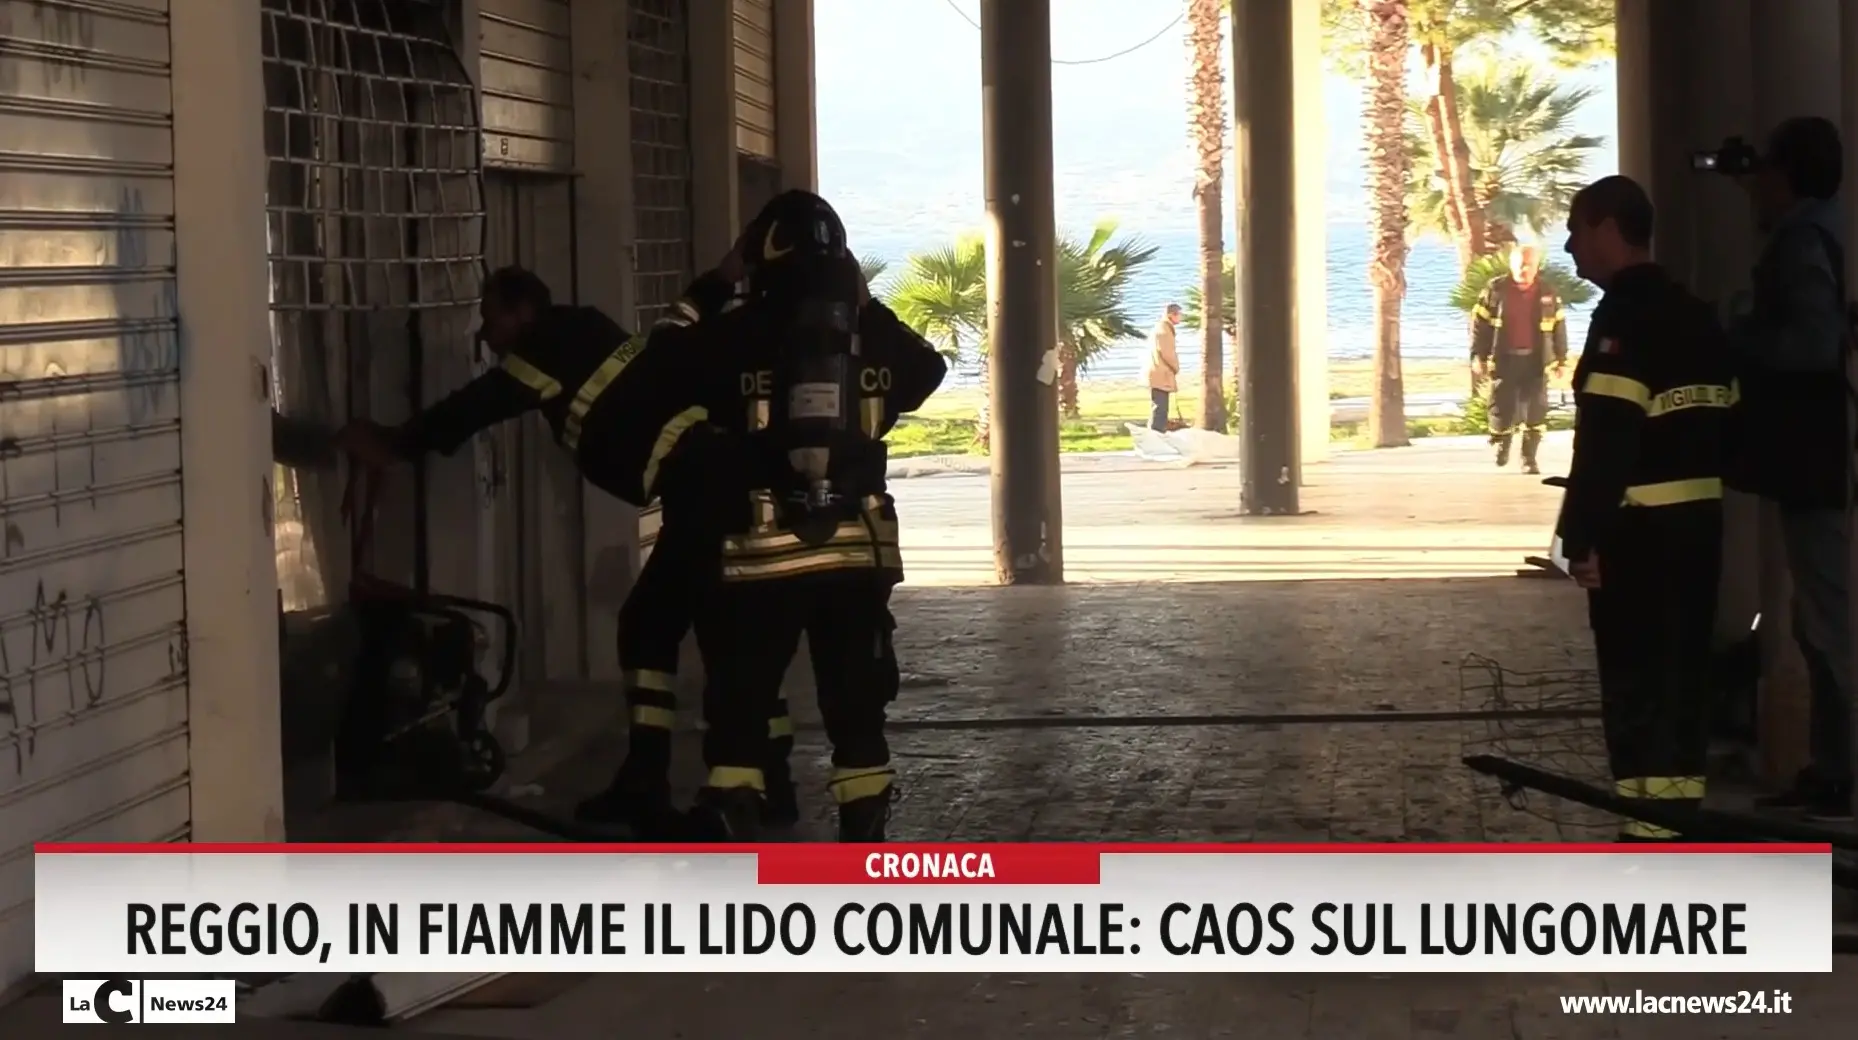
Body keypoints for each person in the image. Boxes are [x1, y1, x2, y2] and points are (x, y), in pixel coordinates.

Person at [331, 266, 786, 838]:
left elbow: (480, 404)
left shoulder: (546, 345)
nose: (484, 334)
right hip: (704, 483)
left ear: (523, 312)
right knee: (648, 626)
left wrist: (394, 443)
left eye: (490, 317)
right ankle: (651, 780)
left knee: (715, 635)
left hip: (703, 487)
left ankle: (736, 794)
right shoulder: (584, 327)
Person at [597, 190, 948, 842]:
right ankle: (863, 828)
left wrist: (712, 286)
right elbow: (929, 369)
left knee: (741, 695)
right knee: (856, 703)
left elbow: (657, 361)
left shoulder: (731, 336)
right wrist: (864, 308)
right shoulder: (867, 334)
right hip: (857, 553)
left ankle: (734, 810)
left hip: (760, 556)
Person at [1559, 175, 1738, 841]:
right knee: (1684, 672)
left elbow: (1605, 441)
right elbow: (1732, 423)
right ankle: (1674, 813)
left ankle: (1647, 825)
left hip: (1639, 533)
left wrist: (1581, 538)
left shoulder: (1623, 321)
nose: (1571, 245)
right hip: (1700, 525)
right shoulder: (1696, 314)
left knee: (1636, 676)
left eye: (1577, 229)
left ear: (1609, 227)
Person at [1724, 116, 1853, 821]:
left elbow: (1810, 345)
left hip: (1817, 454)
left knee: (1828, 620)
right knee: (1817, 617)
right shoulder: (1820, 231)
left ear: (1785, 175)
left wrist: (1741, 331)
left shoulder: (1804, 242)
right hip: (1817, 453)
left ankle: (1841, 774)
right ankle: (1832, 768)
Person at [1471, 242, 1570, 475]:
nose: (1524, 269)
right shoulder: (1495, 290)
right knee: (1502, 408)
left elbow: (1559, 328)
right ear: (1511, 264)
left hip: (1536, 361)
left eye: (1529, 265)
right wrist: (1478, 356)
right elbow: (1480, 327)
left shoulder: (1548, 293)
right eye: (1520, 264)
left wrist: (1561, 361)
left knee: (1536, 410)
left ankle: (1529, 459)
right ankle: (1502, 443)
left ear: (1537, 267)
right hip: (1504, 359)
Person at [1147, 304, 1182, 431]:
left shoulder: (1163, 328)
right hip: (1161, 373)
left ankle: (1155, 433)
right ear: (1171, 315)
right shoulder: (1164, 330)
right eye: (1179, 314)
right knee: (1160, 408)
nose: (1180, 318)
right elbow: (1167, 353)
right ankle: (1156, 434)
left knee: (1159, 406)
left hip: (1158, 372)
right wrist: (1176, 367)